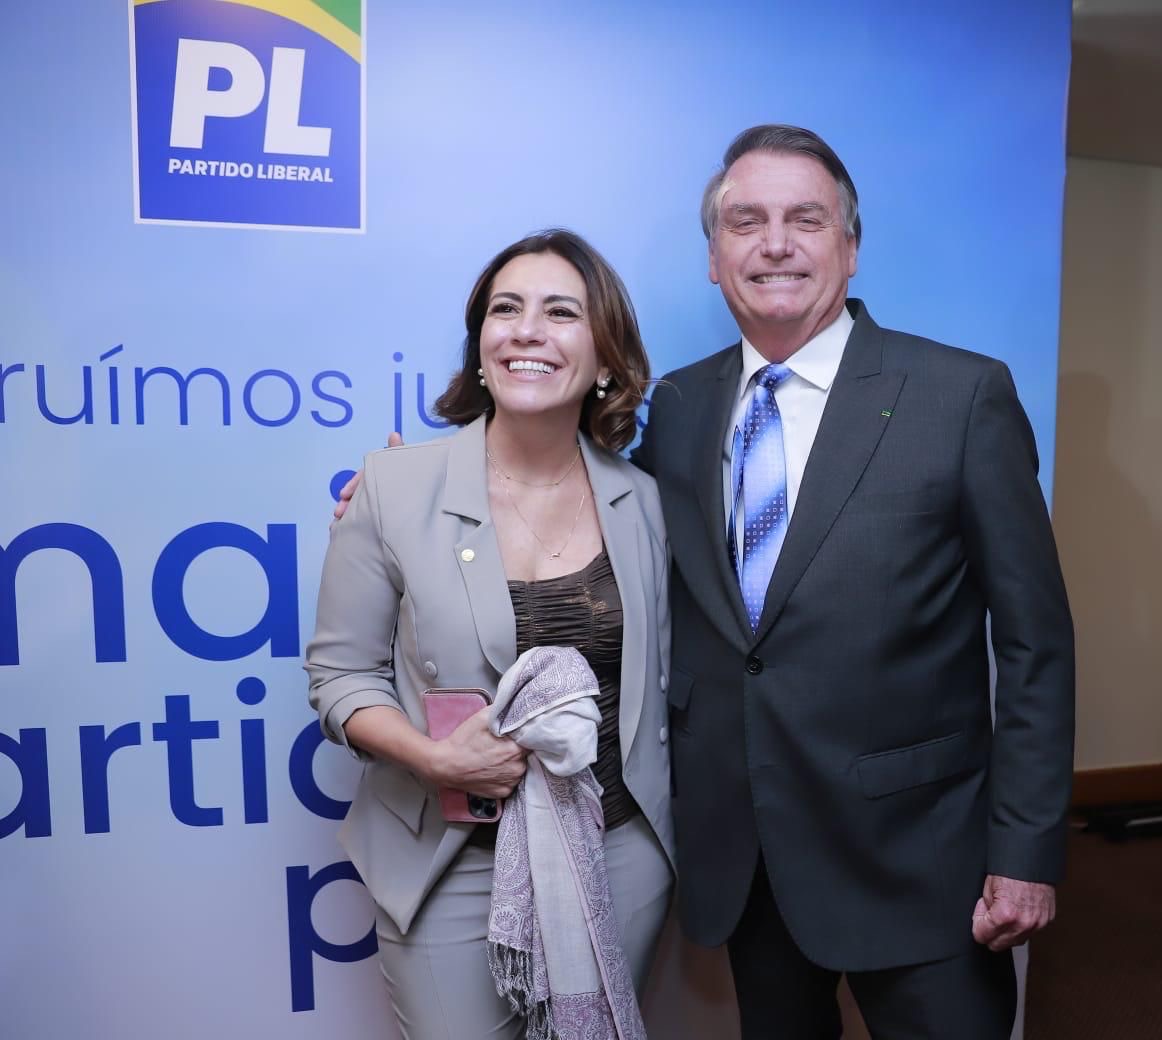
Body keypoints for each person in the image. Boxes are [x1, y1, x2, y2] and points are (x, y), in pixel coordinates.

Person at [630, 125, 1075, 1038]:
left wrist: (1026, 850)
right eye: (745, 222)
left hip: (923, 863)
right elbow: (587, 518)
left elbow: (1036, 643)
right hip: (749, 855)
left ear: (851, 245)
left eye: (806, 219)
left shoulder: (961, 396)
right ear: (714, 258)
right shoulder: (676, 406)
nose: (775, 244)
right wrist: (415, 491)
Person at [306, 229, 674, 1040]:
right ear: (480, 346)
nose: (527, 331)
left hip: (616, 857)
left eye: (561, 312)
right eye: (506, 310)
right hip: (449, 862)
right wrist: (434, 758)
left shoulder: (646, 502)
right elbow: (340, 678)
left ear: (605, 357)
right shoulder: (395, 488)